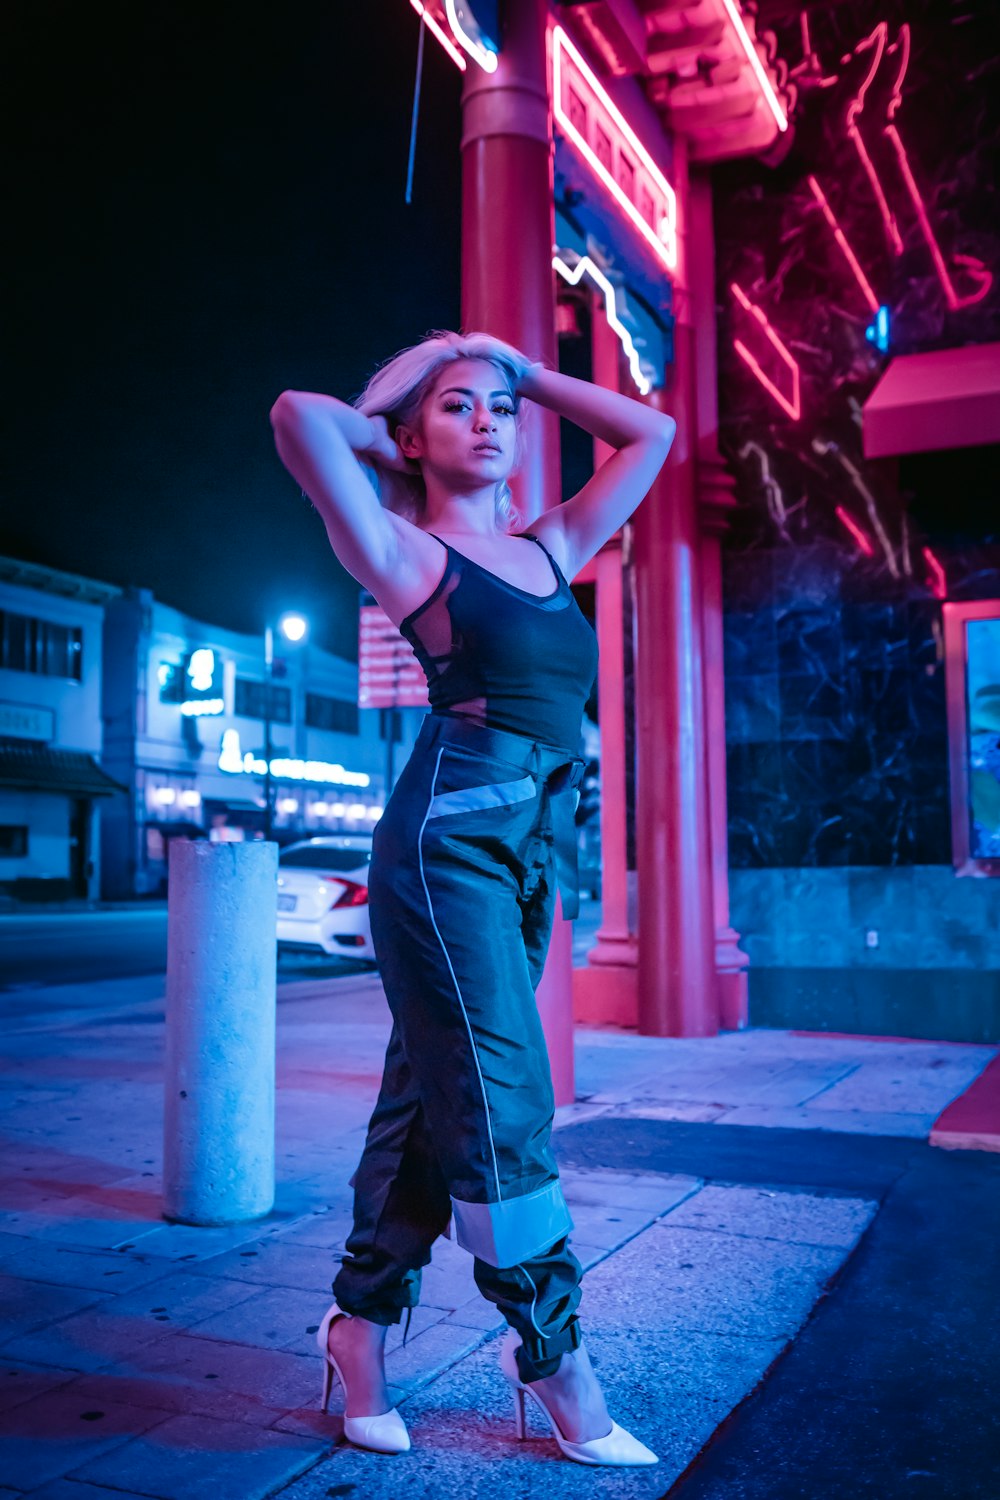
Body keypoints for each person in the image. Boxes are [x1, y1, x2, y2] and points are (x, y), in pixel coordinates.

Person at [269, 329, 675, 1465]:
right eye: (461, 409)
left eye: (503, 411)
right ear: (413, 437)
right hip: (447, 848)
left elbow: (653, 432)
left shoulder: (552, 548)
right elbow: (300, 412)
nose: (492, 420)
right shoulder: (405, 555)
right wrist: (410, 403)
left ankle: (356, 1327)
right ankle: (553, 1356)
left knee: (430, 1093)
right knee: (502, 1094)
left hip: (534, 851)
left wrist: (516, 367)